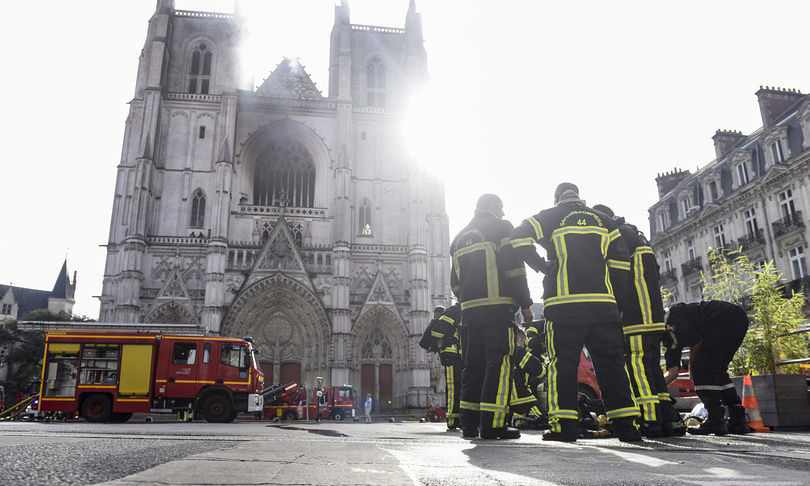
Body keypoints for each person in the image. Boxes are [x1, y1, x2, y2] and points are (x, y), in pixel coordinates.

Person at [510, 183, 641, 442]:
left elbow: (518, 236)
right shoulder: (604, 221)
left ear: (556, 197)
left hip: (564, 306)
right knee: (611, 364)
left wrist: (542, 266)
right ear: (580, 196)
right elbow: (620, 263)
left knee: (563, 365)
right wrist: (619, 304)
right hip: (603, 305)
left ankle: (565, 426)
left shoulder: (549, 216)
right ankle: (626, 425)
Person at [593, 204, 686, 438]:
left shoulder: (618, 235)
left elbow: (617, 273)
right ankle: (667, 417)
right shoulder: (637, 235)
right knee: (652, 367)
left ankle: (650, 420)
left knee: (637, 367)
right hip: (654, 317)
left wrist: (616, 306)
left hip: (636, 317)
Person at [450, 193, 534, 440]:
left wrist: (468, 302)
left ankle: (469, 425)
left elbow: (455, 283)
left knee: (472, 367)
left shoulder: (457, 239)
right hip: (498, 311)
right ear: (494, 206)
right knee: (498, 365)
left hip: (470, 313)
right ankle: (493, 424)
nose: (504, 213)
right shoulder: (501, 228)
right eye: (502, 207)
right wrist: (525, 304)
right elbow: (515, 269)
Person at [663, 300, 750, 435]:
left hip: (722, 317)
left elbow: (696, 342)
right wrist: (657, 389)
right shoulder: (669, 333)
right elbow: (673, 371)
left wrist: (694, 368)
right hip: (738, 317)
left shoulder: (670, 322)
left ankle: (715, 420)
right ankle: (738, 419)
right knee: (718, 369)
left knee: (703, 368)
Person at [425, 303, 463, 430]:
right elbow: (436, 332)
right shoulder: (453, 312)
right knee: (454, 387)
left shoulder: (462, 312)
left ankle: (461, 418)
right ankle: (453, 419)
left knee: (460, 387)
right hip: (453, 357)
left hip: (463, 356)